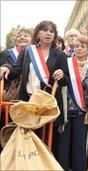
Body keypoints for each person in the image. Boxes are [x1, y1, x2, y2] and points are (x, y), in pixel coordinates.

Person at [0, 20, 68, 153]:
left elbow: (66, 81)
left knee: (46, 141)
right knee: (27, 139)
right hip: (27, 102)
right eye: (45, 30)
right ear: (38, 33)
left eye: (51, 31)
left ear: (54, 35)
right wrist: (6, 67)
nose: (48, 33)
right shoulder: (27, 51)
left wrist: (62, 75)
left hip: (47, 105)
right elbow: (16, 71)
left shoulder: (60, 54)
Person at [55, 36, 88, 171]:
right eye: (77, 46)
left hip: (82, 110)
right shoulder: (66, 63)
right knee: (62, 145)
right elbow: (56, 78)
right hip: (65, 109)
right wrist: (58, 73)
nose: (78, 48)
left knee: (79, 144)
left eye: (82, 46)